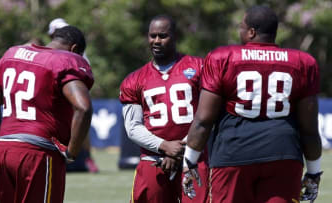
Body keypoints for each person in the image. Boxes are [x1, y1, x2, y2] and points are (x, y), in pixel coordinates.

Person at [182, 5, 323, 203]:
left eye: (241, 26)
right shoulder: (303, 62)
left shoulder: (222, 58)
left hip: (233, 154)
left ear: (251, 32)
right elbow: (309, 129)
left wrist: (189, 161)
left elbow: (203, 120)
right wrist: (314, 172)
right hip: (283, 154)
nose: (238, 31)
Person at [0, 26, 94, 203]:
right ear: (74, 49)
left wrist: (0, 140)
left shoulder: (13, 53)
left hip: (4, 151)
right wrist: (72, 152)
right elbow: (83, 108)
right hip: (38, 152)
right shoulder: (65, 60)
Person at [119, 15, 209, 203]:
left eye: (162, 36)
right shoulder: (134, 79)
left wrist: (183, 148)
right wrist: (164, 146)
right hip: (153, 159)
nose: (156, 41)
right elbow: (133, 127)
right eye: (152, 36)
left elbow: (209, 114)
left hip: (194, 156)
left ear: (175, 37)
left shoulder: (200, 67)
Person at [48, 17, 99, 173]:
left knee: (81, 121)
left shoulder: (74, 53)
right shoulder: (50, 52)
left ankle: (85, 157)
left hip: (71, 93)